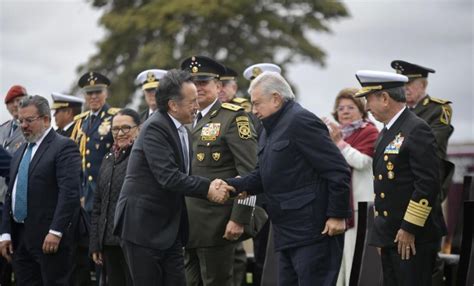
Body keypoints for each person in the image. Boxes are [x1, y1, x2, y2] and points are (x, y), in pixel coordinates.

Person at [226, 72, 351, 286]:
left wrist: (337, 215)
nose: (254, 111)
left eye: (257, 104)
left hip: (313, 232)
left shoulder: (300, 121)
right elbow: (262, 174)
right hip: (287, 231)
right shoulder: (270, 128)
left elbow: (337, 170)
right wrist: (233, 185)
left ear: (276, 98)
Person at [113, 69, 233, 286]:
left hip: (169, 230)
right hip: (143, 229)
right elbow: (169, 177)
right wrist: (208, 188)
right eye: (192, 101)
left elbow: (186, 175)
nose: (197, 106)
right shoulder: (155, 128)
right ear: (173, 105)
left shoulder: (183, 130)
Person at [354, 70, 447, 286]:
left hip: (413, 236)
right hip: (391, 234)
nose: (367, 107)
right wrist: (382, 233)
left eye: (369, 99)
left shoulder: (416, 129)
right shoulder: (388, 131)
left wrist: (409, 228)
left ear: (384, 98)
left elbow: (427, 185)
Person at [180, 56, 258, 286]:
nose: (198, 87)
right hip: (186, 225)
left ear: (218, 86)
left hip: (218, 225)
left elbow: (250, 172)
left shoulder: (233, 118)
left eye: (203, 82)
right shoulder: (183, 121)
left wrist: (239, 219)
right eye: (192, 82)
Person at [0, 95, 82, 285]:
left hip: (49, 240)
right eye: (20, 121)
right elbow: (10, 193)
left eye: (29, 120)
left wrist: (56, 231)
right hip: (19, 240)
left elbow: (69, 193)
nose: (23, 126)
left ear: (46, 119)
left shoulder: (63, 147)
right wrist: (5, 233)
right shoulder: (20, 152)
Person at [324, 88, 378, 286]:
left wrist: (338, 143)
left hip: (359, 208)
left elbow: (362, 162)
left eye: (350, 107)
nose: (344, 112)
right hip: (337, 207)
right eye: (340, 108)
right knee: (338, 265)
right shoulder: (334, 134)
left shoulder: (369, 131)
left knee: (355, 261)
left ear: (362, 110)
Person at [70, 71, 119, 285]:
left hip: (108, 195)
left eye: (97, 92)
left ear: (106, 92)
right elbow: (77, 159)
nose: (93, 97)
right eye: (89, 93)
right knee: (88, 252)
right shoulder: (80, 122)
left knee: (107, 254)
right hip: (85, 197)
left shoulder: (115, 117)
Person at [391, 60, 454, 202]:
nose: (404, 88)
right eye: (401, 84)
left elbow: (431, 143)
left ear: (423, 85)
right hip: (400, 183)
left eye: (409, 83)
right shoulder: (398, 112)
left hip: (426, 183)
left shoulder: (438, 109)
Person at [90, 108, 140, 286]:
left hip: (135, 241)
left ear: (138, 129)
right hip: (110, 242)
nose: (120, 133)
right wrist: (96, 242)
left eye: (126, 128)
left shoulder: (143, 157)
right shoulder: (108, 158)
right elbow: (98, 204)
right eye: (115, 129)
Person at [0, 85, 27, 286]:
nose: (15, 105)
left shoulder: (30, 130)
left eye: (19, 101)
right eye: (11, 102)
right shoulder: (3, 129)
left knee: (17, 262)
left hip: (17, 204)